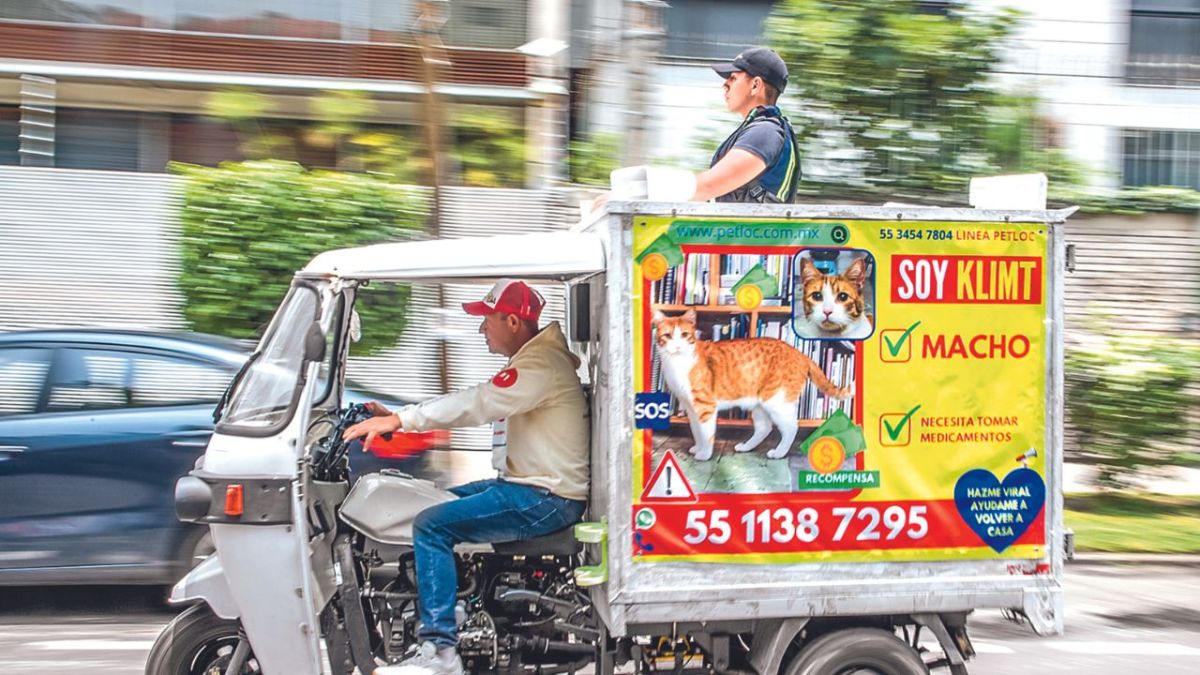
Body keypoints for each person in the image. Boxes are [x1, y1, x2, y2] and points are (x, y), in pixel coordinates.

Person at [343, 279, 589, 675]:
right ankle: (454, 609)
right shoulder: (535, 361)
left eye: (486, 320)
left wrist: (401, 419)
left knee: (429, 525)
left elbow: (476, 403)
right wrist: (395, 416)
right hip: (527, 484)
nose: (481, 329)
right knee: (431, 503)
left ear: (512, 320)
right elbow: (474, 400)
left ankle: (441, 652)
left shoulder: (539, 366)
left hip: (546, 497)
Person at [693, 46, 801, 203]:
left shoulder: (765, 132)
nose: (725, 85)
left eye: (733, 78)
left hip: (748, 228)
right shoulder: (763, 129)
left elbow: (708, 187)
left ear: (755, 85)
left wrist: (653, 188)